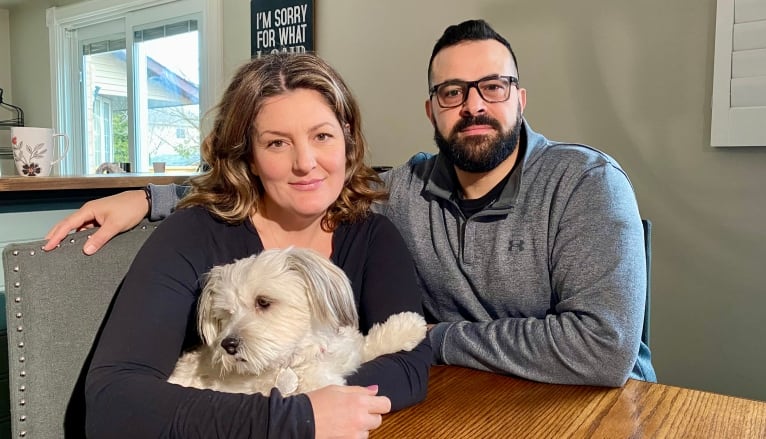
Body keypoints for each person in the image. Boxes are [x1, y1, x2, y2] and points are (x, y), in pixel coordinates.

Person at [46, 19, 655, 387]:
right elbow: (301, 182)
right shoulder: (405, 191)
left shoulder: (586, 182)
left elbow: (602, 348)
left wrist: (433, 338)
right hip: (461, 398)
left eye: (492, 87)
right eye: (452, 91)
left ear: (520, 99)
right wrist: (153, 198)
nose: (473, 105)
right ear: (431, 110)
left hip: (593, 404)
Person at [75, 53, 432, 438]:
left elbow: (408, 366)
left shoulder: (373, 236)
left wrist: (326, 398)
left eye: (322, 136)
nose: (305, 162)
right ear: (250, 156)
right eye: (277, 143)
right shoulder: (192, 236)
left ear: (346, 138)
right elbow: (114, 403)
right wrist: (295, 417)